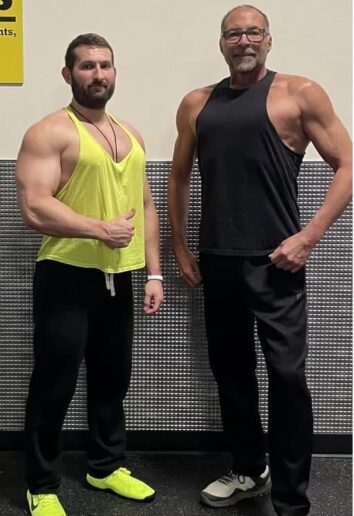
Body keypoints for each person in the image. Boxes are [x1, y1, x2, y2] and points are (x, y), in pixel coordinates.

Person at [168, 5, 352, 516]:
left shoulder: (300, 93)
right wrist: (181, 246)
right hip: (218, 261)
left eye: (253, 32)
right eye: (233, 33)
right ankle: (250, 469)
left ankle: (292, 500)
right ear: (221, 43)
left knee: (287, 380)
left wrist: (309, 238)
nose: (243, 40)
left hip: (278, 263)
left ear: (268, 40)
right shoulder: (196, 103)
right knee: (231, 373)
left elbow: (347, 164)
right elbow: (179, 177)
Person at [16, 33, 164, 516]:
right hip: (67, 275)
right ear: (67, 74)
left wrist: (154, 273)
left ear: (114, 72)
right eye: (87, 67)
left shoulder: (132, 134)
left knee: (111, 377)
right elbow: (35, 208)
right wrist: (99, 229)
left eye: (105, 66)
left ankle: (105, 466)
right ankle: (41, 483)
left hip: (120, 278)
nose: (98, 74)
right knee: (55, 382)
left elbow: (144, 206)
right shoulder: (49, 132)